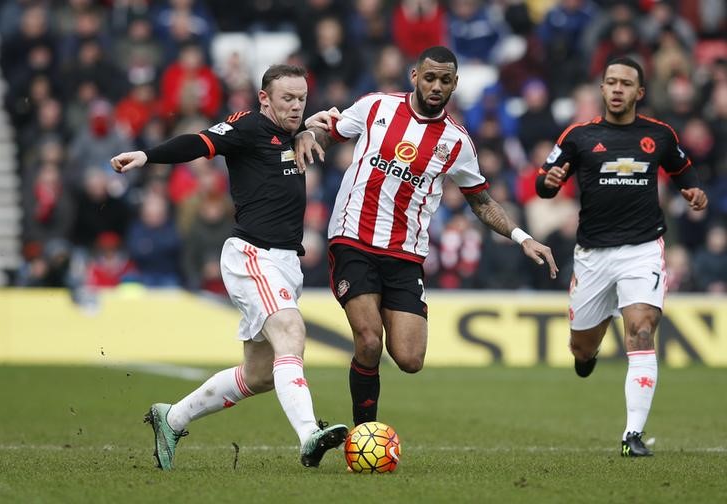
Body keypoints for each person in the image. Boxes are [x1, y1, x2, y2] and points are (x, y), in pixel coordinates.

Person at [295, 46, 558, 430]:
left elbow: (481, 201)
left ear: (455, 84)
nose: (436, 86)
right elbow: (329, 133)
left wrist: (522, 237)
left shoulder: (456, 142)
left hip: (406, 253)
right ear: (414, 76)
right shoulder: (375, 107)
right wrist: (305, 132)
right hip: (353, 239)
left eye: (445, 80)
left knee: (410, 359)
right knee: (369, 341)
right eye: (430, 77)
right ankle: (364, 433)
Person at [110, 64, 347, 470]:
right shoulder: (247, 127)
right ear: (264, 98)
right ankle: (310, 433)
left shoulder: (292, 130)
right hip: (253, 253)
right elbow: (198, 143)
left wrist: (308, 126)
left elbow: (301, 129)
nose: (295, 106)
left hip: (284, 261)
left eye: (301, 99)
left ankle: (172, 418)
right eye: (286, 98)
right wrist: (147, 155)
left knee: (257, 375)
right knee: (291, 331)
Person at [535, 57, 708, 457]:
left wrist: (694, 191)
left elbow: (684, 171)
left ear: (639, 92)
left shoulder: (659, 135)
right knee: (581, 347)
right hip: (593, 254)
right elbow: (545, 185)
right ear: (602, 89)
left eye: (625, 84)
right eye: (610, 82)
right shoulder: (578, 136)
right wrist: (549, 181)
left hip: (642, 249)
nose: (616, 89)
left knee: (642, 331)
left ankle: (633, 435)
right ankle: (587, 354)